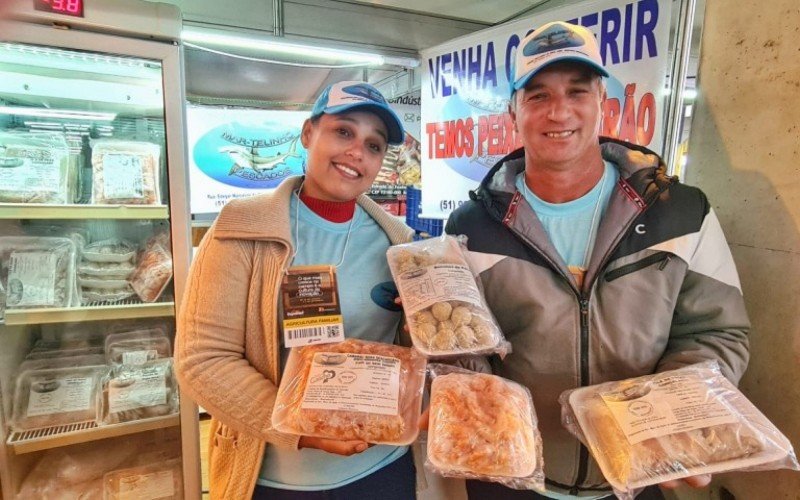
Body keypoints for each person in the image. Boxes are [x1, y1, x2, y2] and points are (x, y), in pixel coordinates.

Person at [445, 21, 750, 499]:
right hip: (512, 472)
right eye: (538, 95)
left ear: (604, 104)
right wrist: (474, 395)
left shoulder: (681, 211)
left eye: (577, 91)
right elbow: (461, 348)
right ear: (513, 114)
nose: (559, 111)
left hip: (635, 472)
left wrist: (671, 413)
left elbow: (717, 332)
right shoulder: (471, 224)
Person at [175, 81, 417, 500]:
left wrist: (419, 328)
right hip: (275, 478)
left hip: (382, 469)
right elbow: (203, 360)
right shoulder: (241, 229)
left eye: (374, 145)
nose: (357, 152)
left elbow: (405, 353)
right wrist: (305, 429)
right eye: (344, 132)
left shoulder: (401, 243)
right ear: (308, 134)